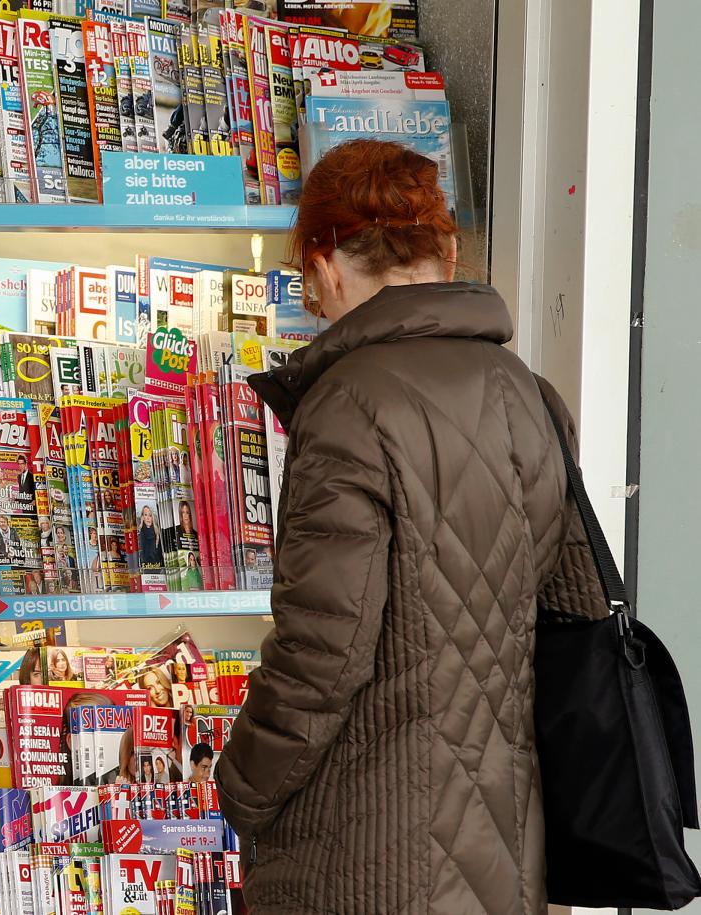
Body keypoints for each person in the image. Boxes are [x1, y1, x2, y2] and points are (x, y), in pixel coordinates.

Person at [212, 139, 610, 915]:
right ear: (449, 250)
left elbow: (322, 655)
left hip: (364, 854)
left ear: (325, 263)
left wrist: (239, 786)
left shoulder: (347, 406)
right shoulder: (531, 396)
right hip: (506, 856)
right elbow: (578, 615)